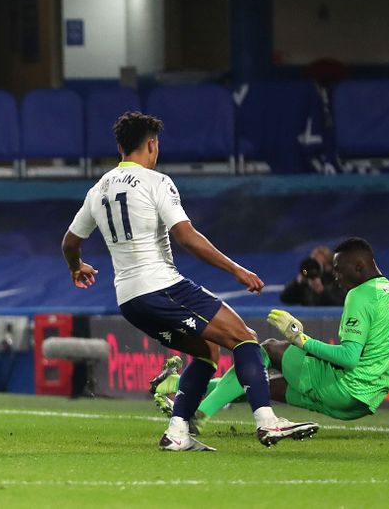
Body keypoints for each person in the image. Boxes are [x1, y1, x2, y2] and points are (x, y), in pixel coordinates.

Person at [61, 111, 318, 451]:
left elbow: (69, 242)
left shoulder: (98, 190)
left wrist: (76, 267)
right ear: (152, 145)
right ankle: (268, 422)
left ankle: (177, 432)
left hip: (129, 300)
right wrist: (236, 269)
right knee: (245, 338)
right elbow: (186, 236)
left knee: (207, 351)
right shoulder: (157, 182)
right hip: (161, 286)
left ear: (121, 146)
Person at [153, 237, 389, 424]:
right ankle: (177, 384)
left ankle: (200, 414)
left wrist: (301, 339)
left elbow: (349, 358)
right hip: (363, 403)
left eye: (339, 270)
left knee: (268, 348)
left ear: (359, 267)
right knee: (261, 385)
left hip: (345, 387)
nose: (336, 277)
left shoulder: (360, 295)